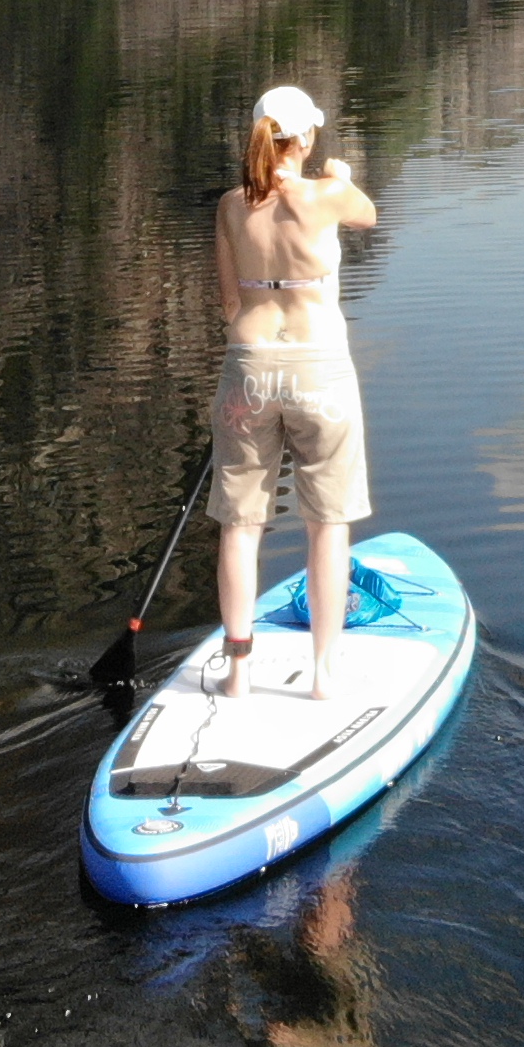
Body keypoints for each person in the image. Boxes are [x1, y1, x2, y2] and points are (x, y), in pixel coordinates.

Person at [210, 82, 377, 698]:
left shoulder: (230, 206)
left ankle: (237, 672)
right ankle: (324, 674)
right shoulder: (327, 194)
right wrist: (341, 172)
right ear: (305, 138)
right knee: (327, 524)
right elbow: (368, 213)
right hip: (320, 369)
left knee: (240, 523)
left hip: (250, 365)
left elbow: (230, 301)